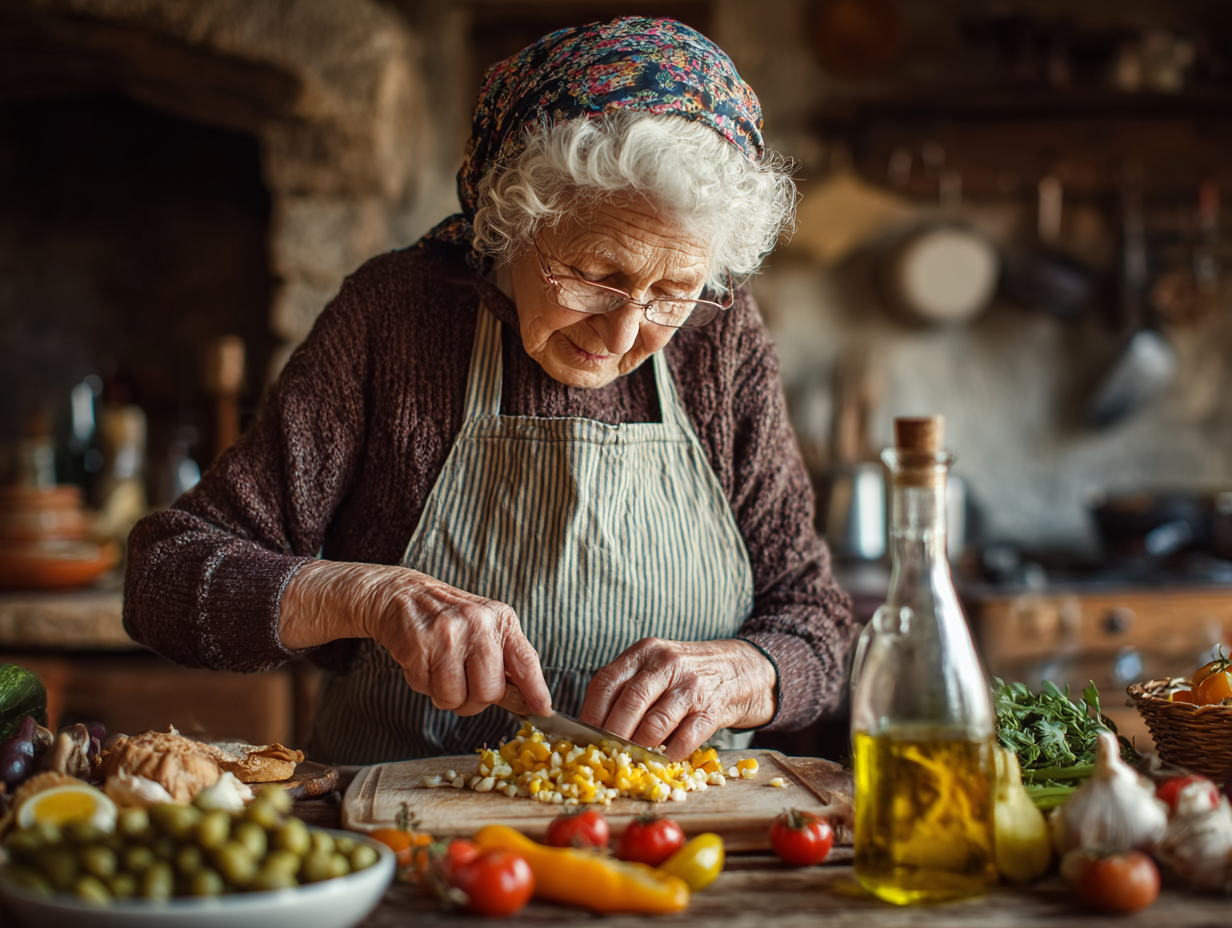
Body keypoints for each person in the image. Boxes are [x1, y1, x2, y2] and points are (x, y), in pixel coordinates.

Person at [124, 16, 854, 764]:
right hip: (415, 837)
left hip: (677, 845)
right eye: (597, 276)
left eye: (673, 291)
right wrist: (366, 598)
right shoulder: (397, 318)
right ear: (514, 220)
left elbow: (817, 623)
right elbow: (163, 577)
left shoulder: (721, 341)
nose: (623, 333)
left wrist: (747, 671)